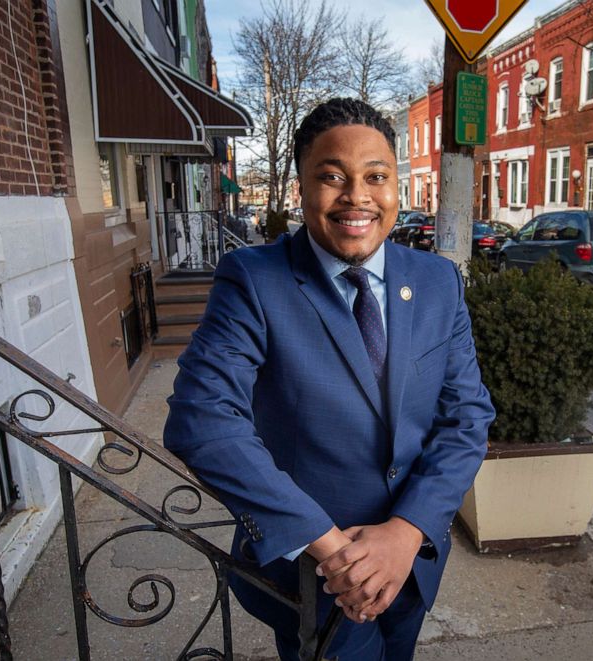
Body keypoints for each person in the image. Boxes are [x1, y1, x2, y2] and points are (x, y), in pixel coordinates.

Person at [164, 98, 494, 661]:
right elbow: (204, 421)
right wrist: (336, 552)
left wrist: (406, 532)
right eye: (332, 177)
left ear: (396, 186)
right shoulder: (254, 280)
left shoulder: (437, 280)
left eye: (376, 177)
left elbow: (466, 418)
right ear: (302, 187)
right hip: (312, 577)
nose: (357, 197)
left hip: (412, 560)